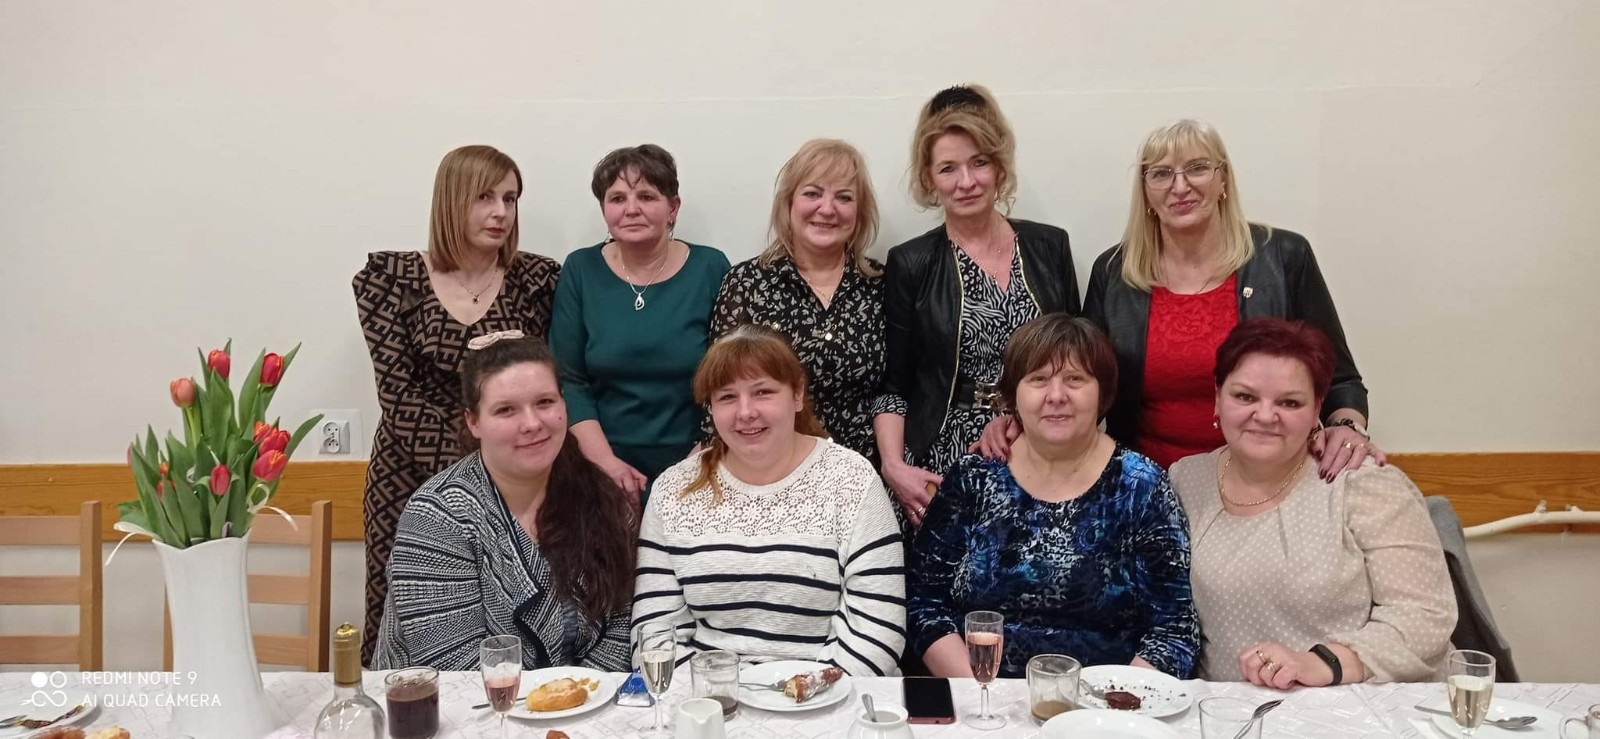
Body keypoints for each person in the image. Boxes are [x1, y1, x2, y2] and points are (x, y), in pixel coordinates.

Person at [353, 145, 560, 663]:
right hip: (407, 470)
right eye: (484, 197)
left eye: (510, 199)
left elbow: (548, 380)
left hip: (515, 473)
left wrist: (502, 473)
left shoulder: (538, 280)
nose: (501, 212)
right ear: (451, 200)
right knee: (403, 611)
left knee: (511, 606)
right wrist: (470, 478)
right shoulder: (391, 278)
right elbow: (397, 393)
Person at [1076, 119, 1375, 476]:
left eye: (1197, 168)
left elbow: (1340, 380)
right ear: (1146, 193)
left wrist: (1347, 427)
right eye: (1161, 174)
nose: (1180, 186)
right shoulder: (1114, 272)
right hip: (1147, 483)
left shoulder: (1285, 258)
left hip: (1270, 477)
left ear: (1223, 180)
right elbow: (1084, 385)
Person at [908, 315, 1198, 679]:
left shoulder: (1141, 486)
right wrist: (981, 691)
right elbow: (924, 603)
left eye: (1075, 379)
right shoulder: (974, 477)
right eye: (1039, 379)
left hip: (1107, 700)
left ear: (1103, 393)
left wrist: (1109, 703)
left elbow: (1173, 632)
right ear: (1013, 395)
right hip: (982, 693)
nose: (1056, 396)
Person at [1171, 318, 1455, 687]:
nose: (1265, 415)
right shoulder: (1185, 481)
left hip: (1351, 701)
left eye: (1289, 402)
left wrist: (1321, 663)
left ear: (1317, 407)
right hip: (1227, 707)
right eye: (1245, 397)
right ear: (1217, 397)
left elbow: (1425, 615)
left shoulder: (1361, 483)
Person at [633, 325, 905, 676]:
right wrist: (716, 696)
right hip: (708, 698)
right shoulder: (673, 490)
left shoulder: (853, 480)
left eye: (763, 392)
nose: (745, 412)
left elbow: (878, 632)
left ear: (797, 394)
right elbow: (654, 634)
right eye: (727, 397)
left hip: (830, 697)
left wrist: (802, 696)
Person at [874, 84, 1079, 529]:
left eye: (979, 163)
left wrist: (1021, 420)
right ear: (929, 179)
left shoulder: (1050, 247)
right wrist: (893, 467)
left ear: (999, 167)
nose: (966, 182)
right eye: (948, 169)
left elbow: (1081, 365)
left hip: (1041, 436)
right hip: (943, 455)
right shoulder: (911, 263)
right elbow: (894, 386)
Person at [374, 333, 636, 671]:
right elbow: (453, 668)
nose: (532, 424)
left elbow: (622, 625)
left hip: (588, 698)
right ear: (473, 422)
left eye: (545, 402)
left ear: (564, 404)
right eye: (506, 410)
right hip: (446, 700)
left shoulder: (603, 497)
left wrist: (585, 692)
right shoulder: (437, 517)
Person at [549, 144, 731, 503]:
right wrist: (605, 462)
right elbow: (568, 379)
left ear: (673, 207)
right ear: (604, 209)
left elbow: (731, 374)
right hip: (599, 460)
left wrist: (702, 457)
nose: (631, 209)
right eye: (617, 198)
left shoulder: (710, 268)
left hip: (700, 458)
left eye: (646, 196)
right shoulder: (580, 269)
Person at [711, 138, 885, 467]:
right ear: (788, 203)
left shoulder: (881, 285)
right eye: (812, 193)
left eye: (844, 197)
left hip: (866, 468)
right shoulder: (746, 283)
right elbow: (722, 388)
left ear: (859, 212)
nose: (828, 209)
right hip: (772, 469)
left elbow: (899, 390)